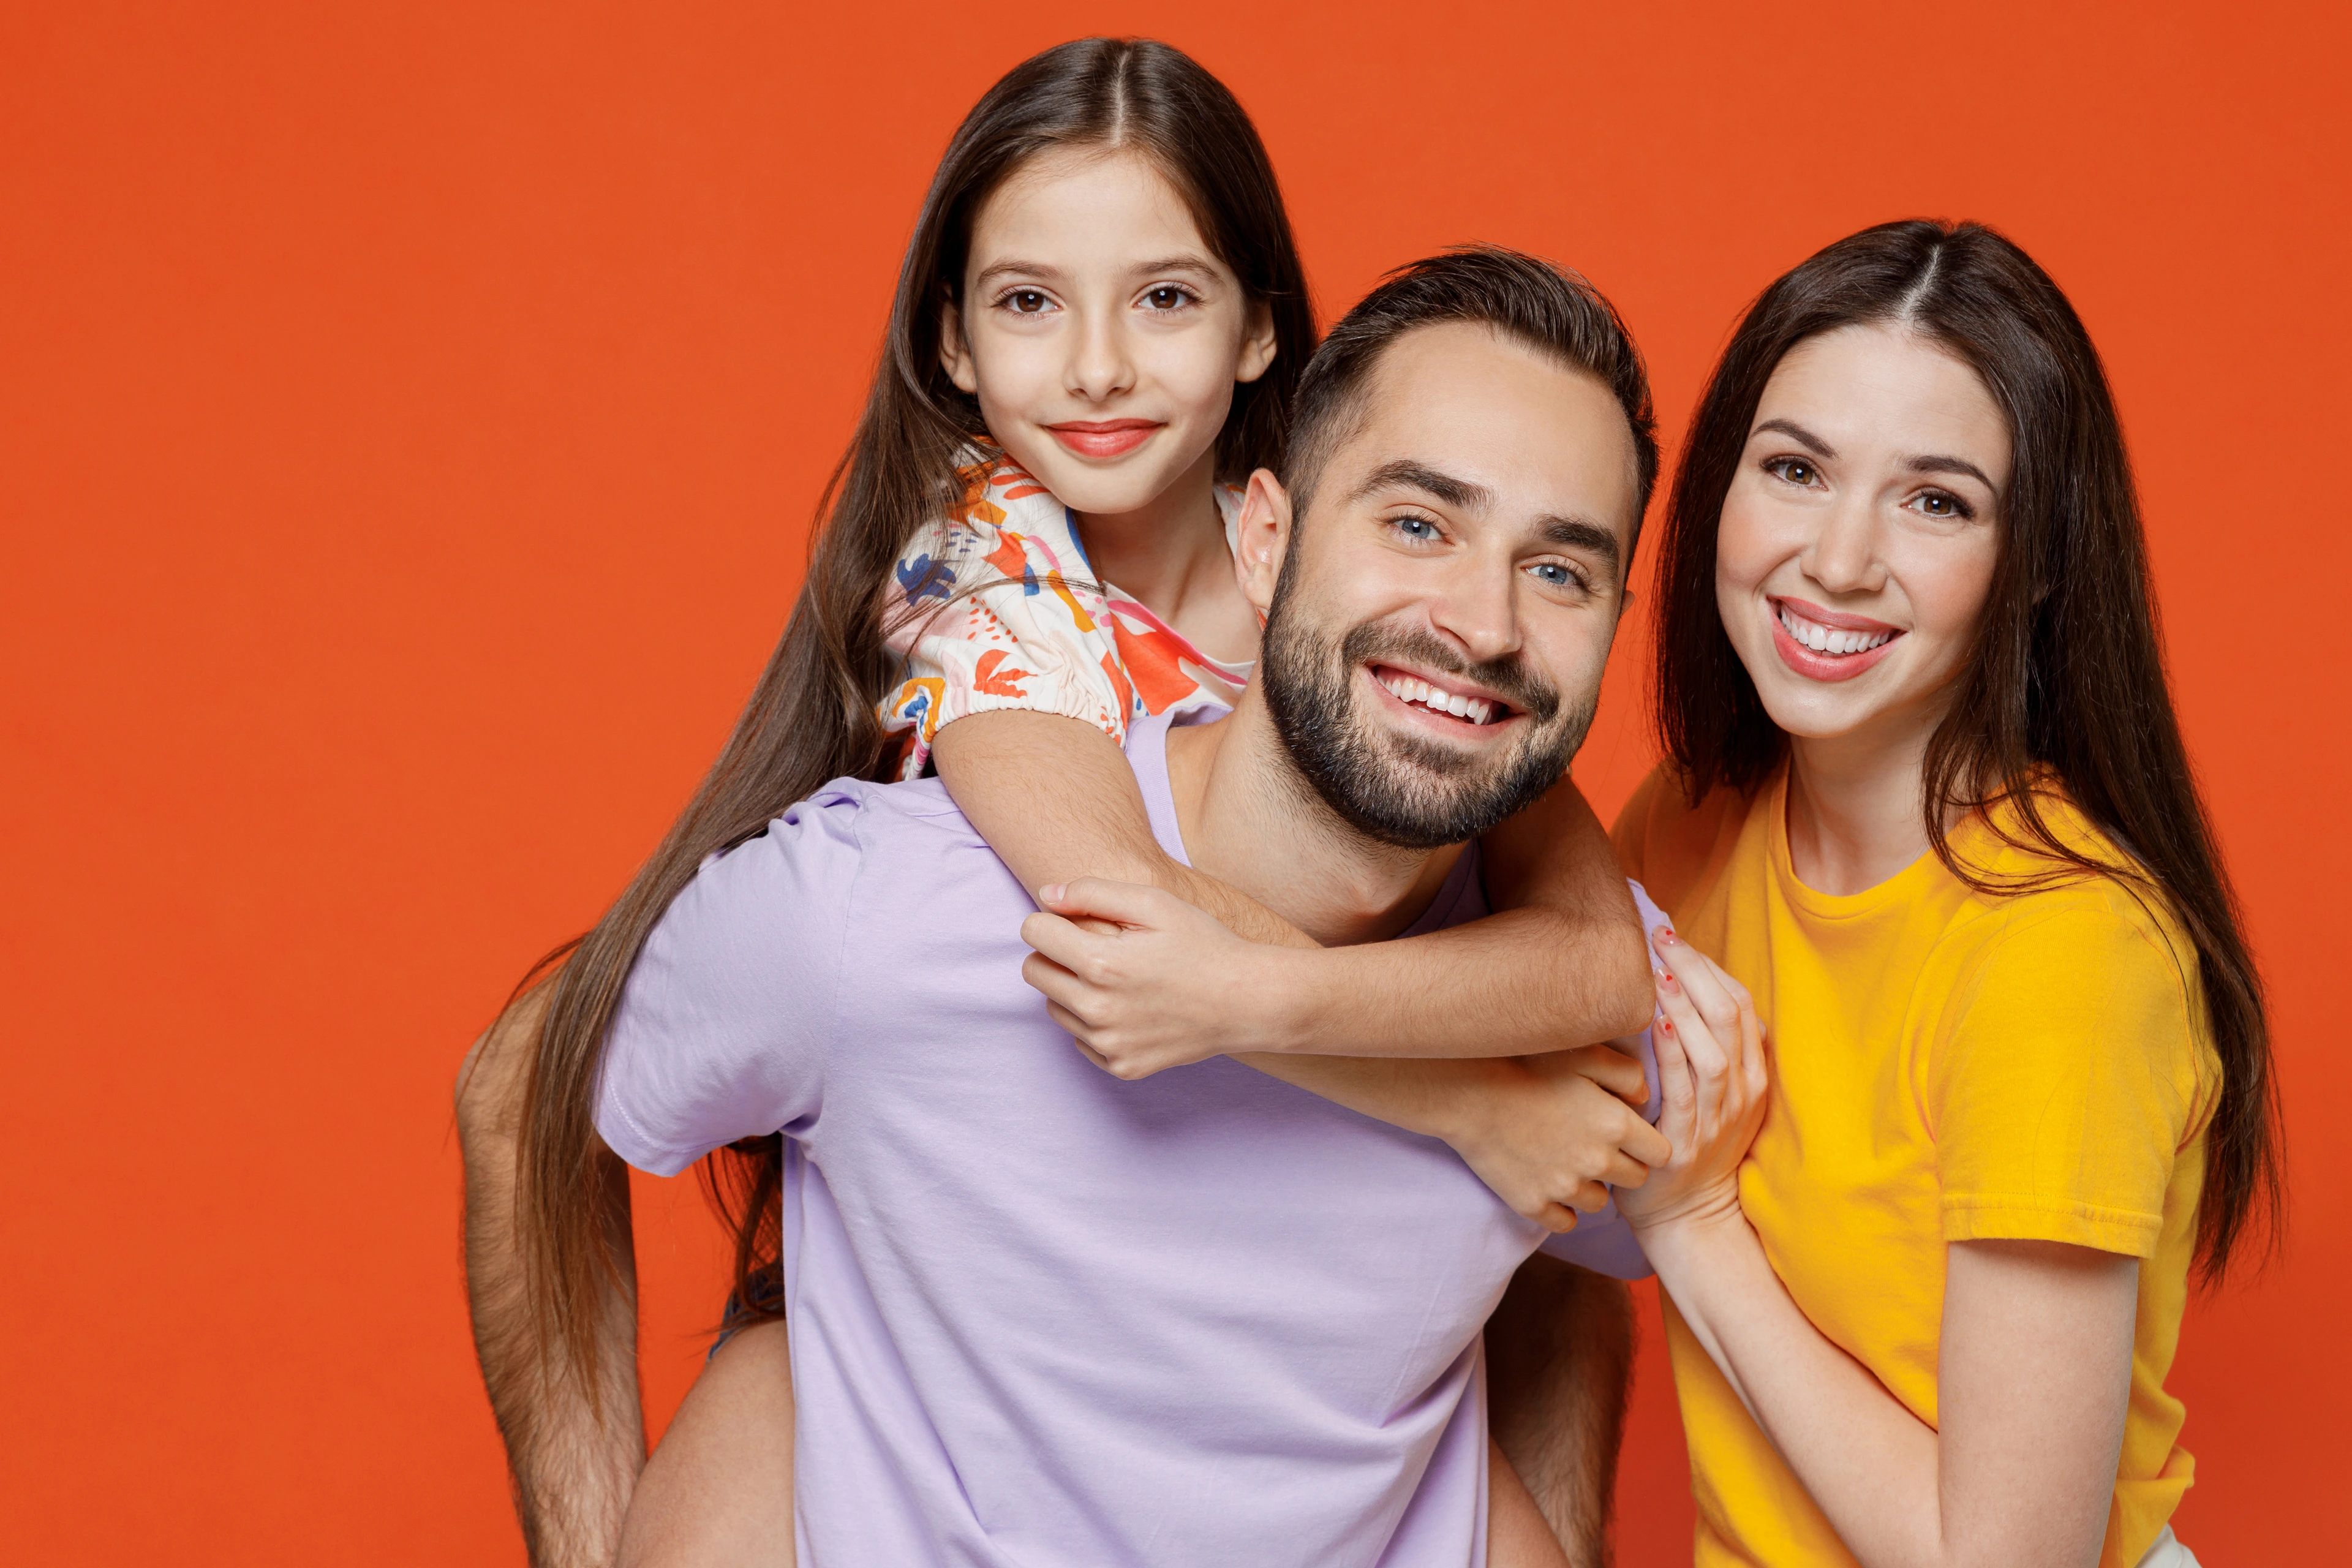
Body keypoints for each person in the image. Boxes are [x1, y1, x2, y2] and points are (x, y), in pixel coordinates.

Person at [459, 39, 1664, 1562]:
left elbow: (1583, 938)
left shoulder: (1385, 602)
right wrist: (1468, 1100)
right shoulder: (989, 574)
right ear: (951, 343)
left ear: (1257, 333)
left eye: (1164, 296)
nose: (1099, 366)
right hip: (963, 1222)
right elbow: (1139, 931)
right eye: (1030, 301)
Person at [1604, 219, 2281, 1568]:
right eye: (1795, 469)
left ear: (2032, 562)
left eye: (1938, 500)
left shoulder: (2064, 951)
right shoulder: (1684, 830)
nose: (1839, 559)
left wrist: (1691, 1222)